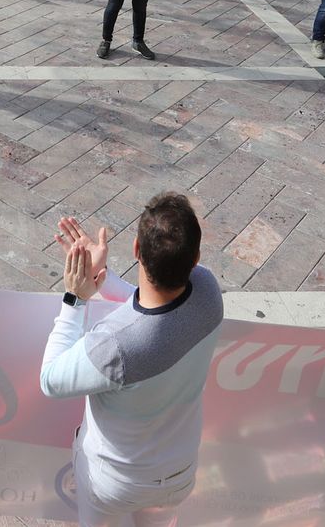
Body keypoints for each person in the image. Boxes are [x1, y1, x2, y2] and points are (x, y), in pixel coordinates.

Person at [41, 199, 223, 527]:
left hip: (116, 484)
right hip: (179, 473)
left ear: (136, 248)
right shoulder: (208, 292)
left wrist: (74, 299)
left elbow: (51, 380)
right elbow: (147, 308)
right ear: (195, 258)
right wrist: (101, 278)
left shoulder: (113, 346)